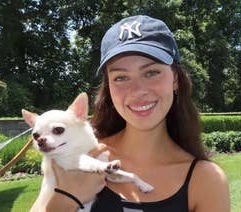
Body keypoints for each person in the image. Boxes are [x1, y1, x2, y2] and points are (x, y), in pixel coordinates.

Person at [45, 15, 230, 212]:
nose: (138, 91)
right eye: (121, 77)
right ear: (109, 87)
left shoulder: (206, 179)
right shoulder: (79, 153)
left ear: (175, 78)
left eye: (151, 72)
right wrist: (66, 198)